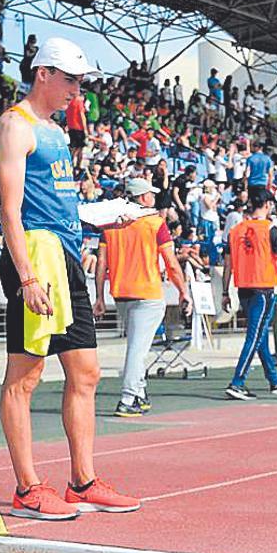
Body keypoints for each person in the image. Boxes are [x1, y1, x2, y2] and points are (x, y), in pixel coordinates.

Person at [0, 36, 139, 521]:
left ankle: (82, 481)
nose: (78, 90)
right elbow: (10, 211)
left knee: (86, 373)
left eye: (80, 81)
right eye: (71, 80)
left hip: (68, 256)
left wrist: (99, 217)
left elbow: (58, 204)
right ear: (44, 74)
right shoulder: (16, 125)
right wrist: (27, 276)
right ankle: (28, 489)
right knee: (26, 376)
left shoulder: (54, 132)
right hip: (37, 258)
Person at [92, 177, 190, 417]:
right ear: (144, 197)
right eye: (151, 194)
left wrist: (99, 298)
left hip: (121, 293)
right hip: (147, 293)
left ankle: (139, 393)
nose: (154, 198)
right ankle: (128, 397)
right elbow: (172, 263)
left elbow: (101, 264)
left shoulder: (110, 225)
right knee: (137, 350)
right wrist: (183, 291)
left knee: (136, 346)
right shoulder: (155, 224)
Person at [221, 187, 277, 400]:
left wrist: (225, 291)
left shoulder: (235, 230)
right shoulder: (270, 228)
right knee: (255, 335)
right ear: (266, 205)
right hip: (264, 287)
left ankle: (274, 379)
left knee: (260, 333)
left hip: (243, 286)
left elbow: (227, 264)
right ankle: (238, 382)